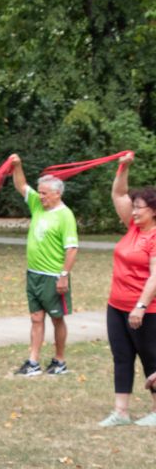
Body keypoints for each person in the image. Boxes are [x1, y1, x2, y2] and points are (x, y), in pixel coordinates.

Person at [99, 152, 156, 427]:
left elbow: (155, 276)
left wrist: (141, 306)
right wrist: (124, 166)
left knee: (151, 357)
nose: (134, 211)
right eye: (133, 207)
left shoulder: (155, 237)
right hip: (117, 305)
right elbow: (118, 193)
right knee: (121, 356)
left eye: (140, 207)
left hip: (146, 310)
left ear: (153, 210)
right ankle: (121, 412)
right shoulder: (133, 228)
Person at [9, 156, 78, 376]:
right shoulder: (38, 206)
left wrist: (64, 275)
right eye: (39, 192)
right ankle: (33, 362)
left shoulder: (65, 215)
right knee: (36, 318)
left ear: (57, 194)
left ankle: (59, 361)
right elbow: (20, 185)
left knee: (57, 318)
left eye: (45, 193)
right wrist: (17, 165)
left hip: (53, 276)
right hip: (34, 274)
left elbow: (72, 248)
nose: (40, 196)